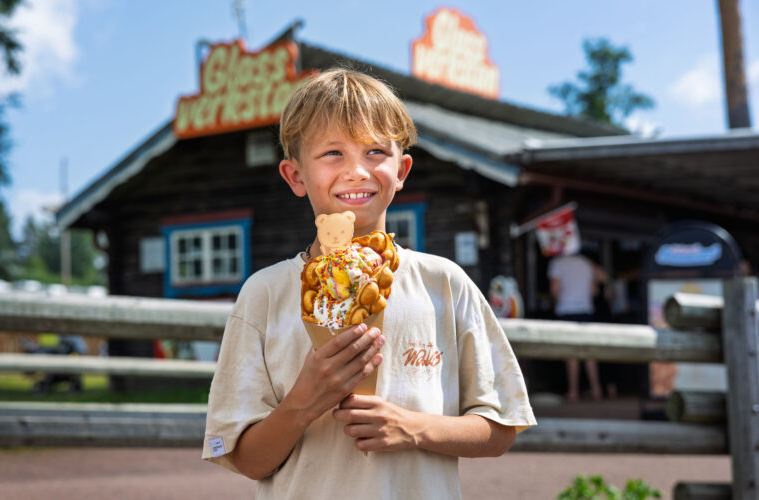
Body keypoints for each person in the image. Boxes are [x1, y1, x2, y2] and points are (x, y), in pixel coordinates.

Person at [202, 69, 536, 499]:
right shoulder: (264, 294)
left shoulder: (444, 284)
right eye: (333, 154)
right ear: (296, 176)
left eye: (376, 151)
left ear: (402, 170)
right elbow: (246, 459)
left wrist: (413, 427)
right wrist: (305, 400)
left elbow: (500, 429)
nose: (357, 171)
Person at [548, 251, 608, 401]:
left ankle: (573, 391)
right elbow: (602, 279)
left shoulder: (558, 262)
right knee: (589, 352)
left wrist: (555, 303)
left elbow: (554, 290)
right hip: (586, 310)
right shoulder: (586, 262)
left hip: (566, 310)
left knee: (571, 353)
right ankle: (596, 390)